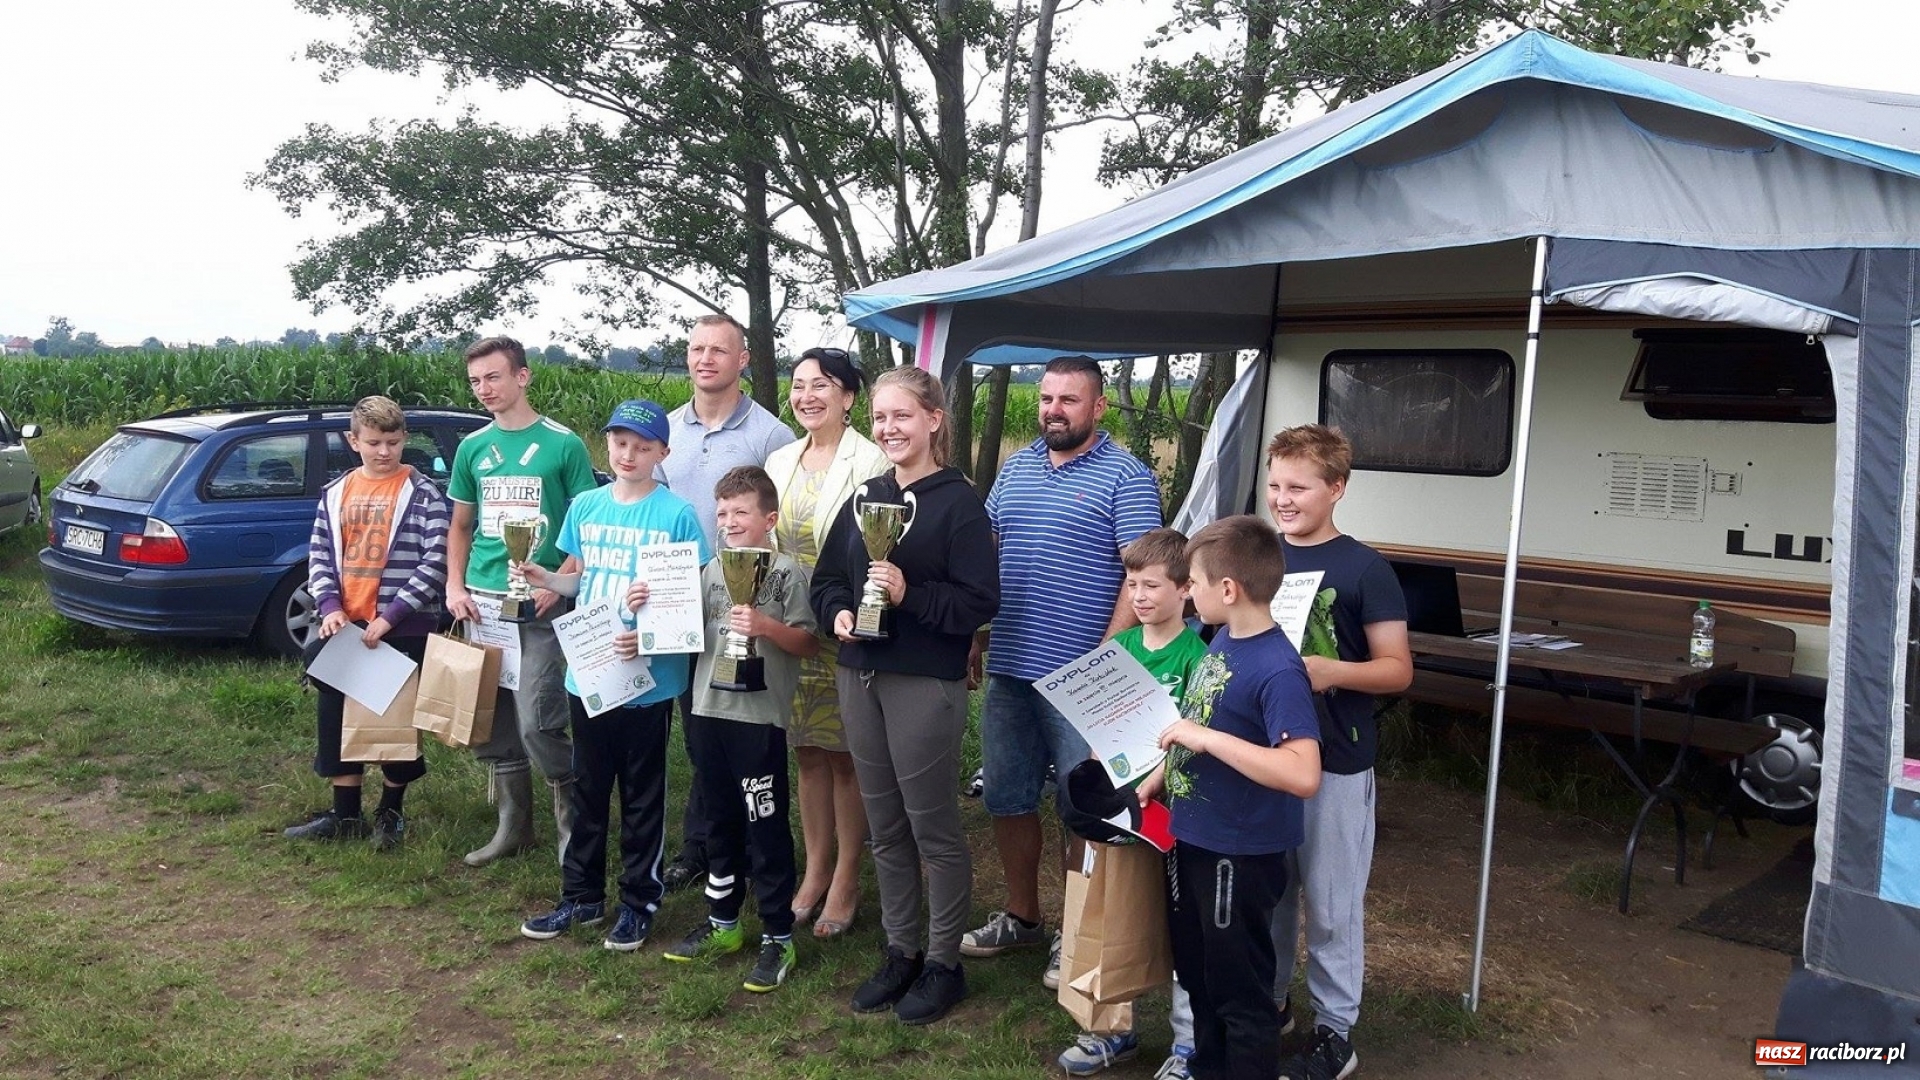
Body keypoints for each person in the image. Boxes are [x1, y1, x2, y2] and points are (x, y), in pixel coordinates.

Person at [965, 355, 1163, 987]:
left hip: (1084, 678)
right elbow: (988, 553)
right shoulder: (1015, 468)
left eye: (1068, 400)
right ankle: (1024, 917)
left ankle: (1077, 930)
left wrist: (1104, 659)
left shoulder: (1126, 478)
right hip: (1011, 668)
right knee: (1006, 796)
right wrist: (975, 631)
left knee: (1081, 806)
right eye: (1047, 398)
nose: (1053, 410)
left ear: (1098, 407)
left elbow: (1142, 580)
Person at [810, 366, 999, 1026]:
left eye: (903, 417)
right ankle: (901, 950)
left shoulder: (960, 505)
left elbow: (981, 602)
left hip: (923, 681)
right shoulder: (866, 496)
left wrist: (908, 595)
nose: (889, 428)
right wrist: (836, 612)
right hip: (859, 673)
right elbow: (829, 578)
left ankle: (944, 964)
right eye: (881, 418)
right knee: (885, 826)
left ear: (934, 421)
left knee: (933, 829)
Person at [516, 400, 709, 951]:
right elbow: (583, 581)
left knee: (642, 793)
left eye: (643, 446)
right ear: (607, 445)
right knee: (589, 788)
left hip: (648, 676)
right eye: (620, 443)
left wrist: (646, 634)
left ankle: (637, 902)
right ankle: (580, 897)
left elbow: (686, 600)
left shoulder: (675, 515)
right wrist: (547, 576)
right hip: (591, 667)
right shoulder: (586, 506)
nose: (629, 454)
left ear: (662, 454)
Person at [1137, 515, 1322, 1080]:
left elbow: (1303, 772)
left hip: (1238, 857)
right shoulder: (1222, 642)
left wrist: (1206, 740)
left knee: (1240, 992)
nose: (1185, 592)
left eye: (1190, 582)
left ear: (1228, 589)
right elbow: (1202, 720)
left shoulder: (1277, 668)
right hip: (1193, 839)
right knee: (1199, 977)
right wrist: (1163, 775)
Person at [1264, 425, 1411, 1080]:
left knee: (1330, 900)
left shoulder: (1365, 569)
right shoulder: (1256, 557)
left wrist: (1333, 672)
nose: (1282, 499)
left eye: (1297, 487)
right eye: (1274, 485)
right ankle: (1270, 1007)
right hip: (1261, 759)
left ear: (1337, 489)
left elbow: (1398, 670)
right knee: (1268, 893)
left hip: (1336, 761)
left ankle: (1335, 1031)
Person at [1054, 527, 1208, 1076]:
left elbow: (1198, 731)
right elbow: (1101, 724)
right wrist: (1099, 766)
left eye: (1151, 585)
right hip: (1117, 805)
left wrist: (1160, 776)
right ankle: (1107, 1029)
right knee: (1106, 911)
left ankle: (1188, 1042)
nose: (1139, 596)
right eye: (1131, 583)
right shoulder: (1119, 649)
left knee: (1177, 920)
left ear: (1186, 589)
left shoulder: (1199, 657)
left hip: (1170, 809)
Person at [444, 336, 600, 868]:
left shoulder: (563, 445)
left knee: (538, 717)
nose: (484, 389)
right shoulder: (472, 448)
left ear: (522, 377)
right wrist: (455, 586)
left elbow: (585, 527)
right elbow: (461, 526)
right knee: (494, 721)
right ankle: (513, 826)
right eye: (475, 381)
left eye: (493, 377)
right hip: (484, 604)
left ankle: (572, 828)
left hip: (541, 605)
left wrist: (557, 580)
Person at [664, 466, 818, 991]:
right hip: (707, 712)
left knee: (765, 825)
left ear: (768, 519)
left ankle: (778, 935)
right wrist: (650, 608)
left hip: (759, 720)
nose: (729, 521)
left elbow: (807, 643)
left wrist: (767, 627)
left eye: (741, 512)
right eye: (722, 512)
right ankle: (722, 922)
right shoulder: (709, 570)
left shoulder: (788, 572)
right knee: (718, 822)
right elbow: (685, 633)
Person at [658, 313, 797, 893]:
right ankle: (705, 846)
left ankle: (741, 850)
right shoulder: (666, 432)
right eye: (696, 348)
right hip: (677, 601)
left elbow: (777, 525)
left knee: (733, 728)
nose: (705, 358)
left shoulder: (771, 437)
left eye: (720, 349)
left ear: (742, 360)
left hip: (742, 611)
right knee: (696, 730)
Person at [764, 346, 890, 938]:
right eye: (798, 385)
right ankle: (813, 870)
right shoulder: (781, 458)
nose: (807, 395)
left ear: (848, 396)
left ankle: (846, 876)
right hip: (792, 627)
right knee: (806, 753)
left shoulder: (871, 461)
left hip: (844, 624)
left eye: (822, 385)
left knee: (845, 758)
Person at [286, 396, 449, 850]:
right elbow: (319, 553)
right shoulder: (336, 492)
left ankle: (391, 812)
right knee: (336, 718)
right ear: (352, 440)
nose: (384, 452)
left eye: (393, 442)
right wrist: (330, 604)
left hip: (403, 626)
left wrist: (392, 616)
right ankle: (344, 815)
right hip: (345, 626)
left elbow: (435, 561)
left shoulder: (423, 494)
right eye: (374, 442)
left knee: (394, 722)